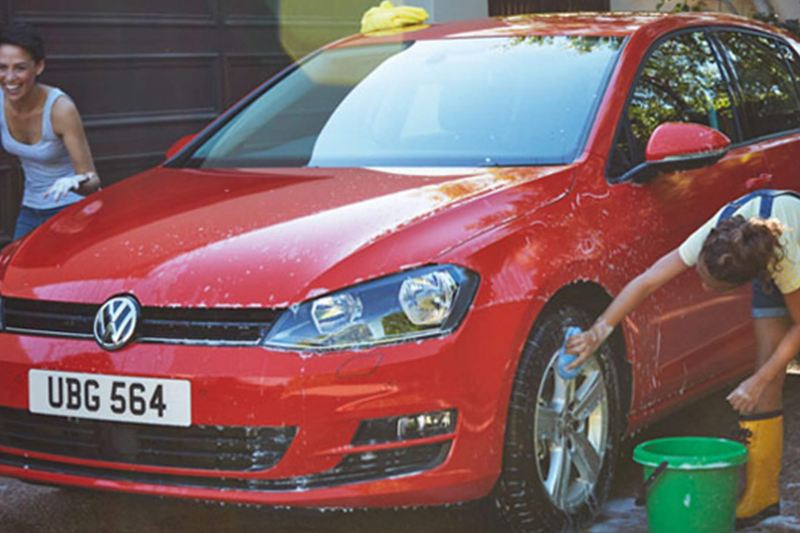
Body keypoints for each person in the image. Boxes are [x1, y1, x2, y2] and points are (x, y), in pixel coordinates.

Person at [566, 189, 800, 529]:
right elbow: (647, 281)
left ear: (740, 280)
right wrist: (598, 331)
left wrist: (758, 380)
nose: (703, 288)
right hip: (767, 255)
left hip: (792, 254)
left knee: (765, 375)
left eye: (710, 286)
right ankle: (761, 496)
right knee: (766, 364)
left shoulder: (786, 258)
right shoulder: (718, 236)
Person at [0, 22, 101, 240]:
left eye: (20, 67)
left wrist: (75, 183)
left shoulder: (60, 109)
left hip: (71, 210)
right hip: (30, 207)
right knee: (17, 269)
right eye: (2, 67)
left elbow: (93, 181)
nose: (9, 78)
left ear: (38, 67)